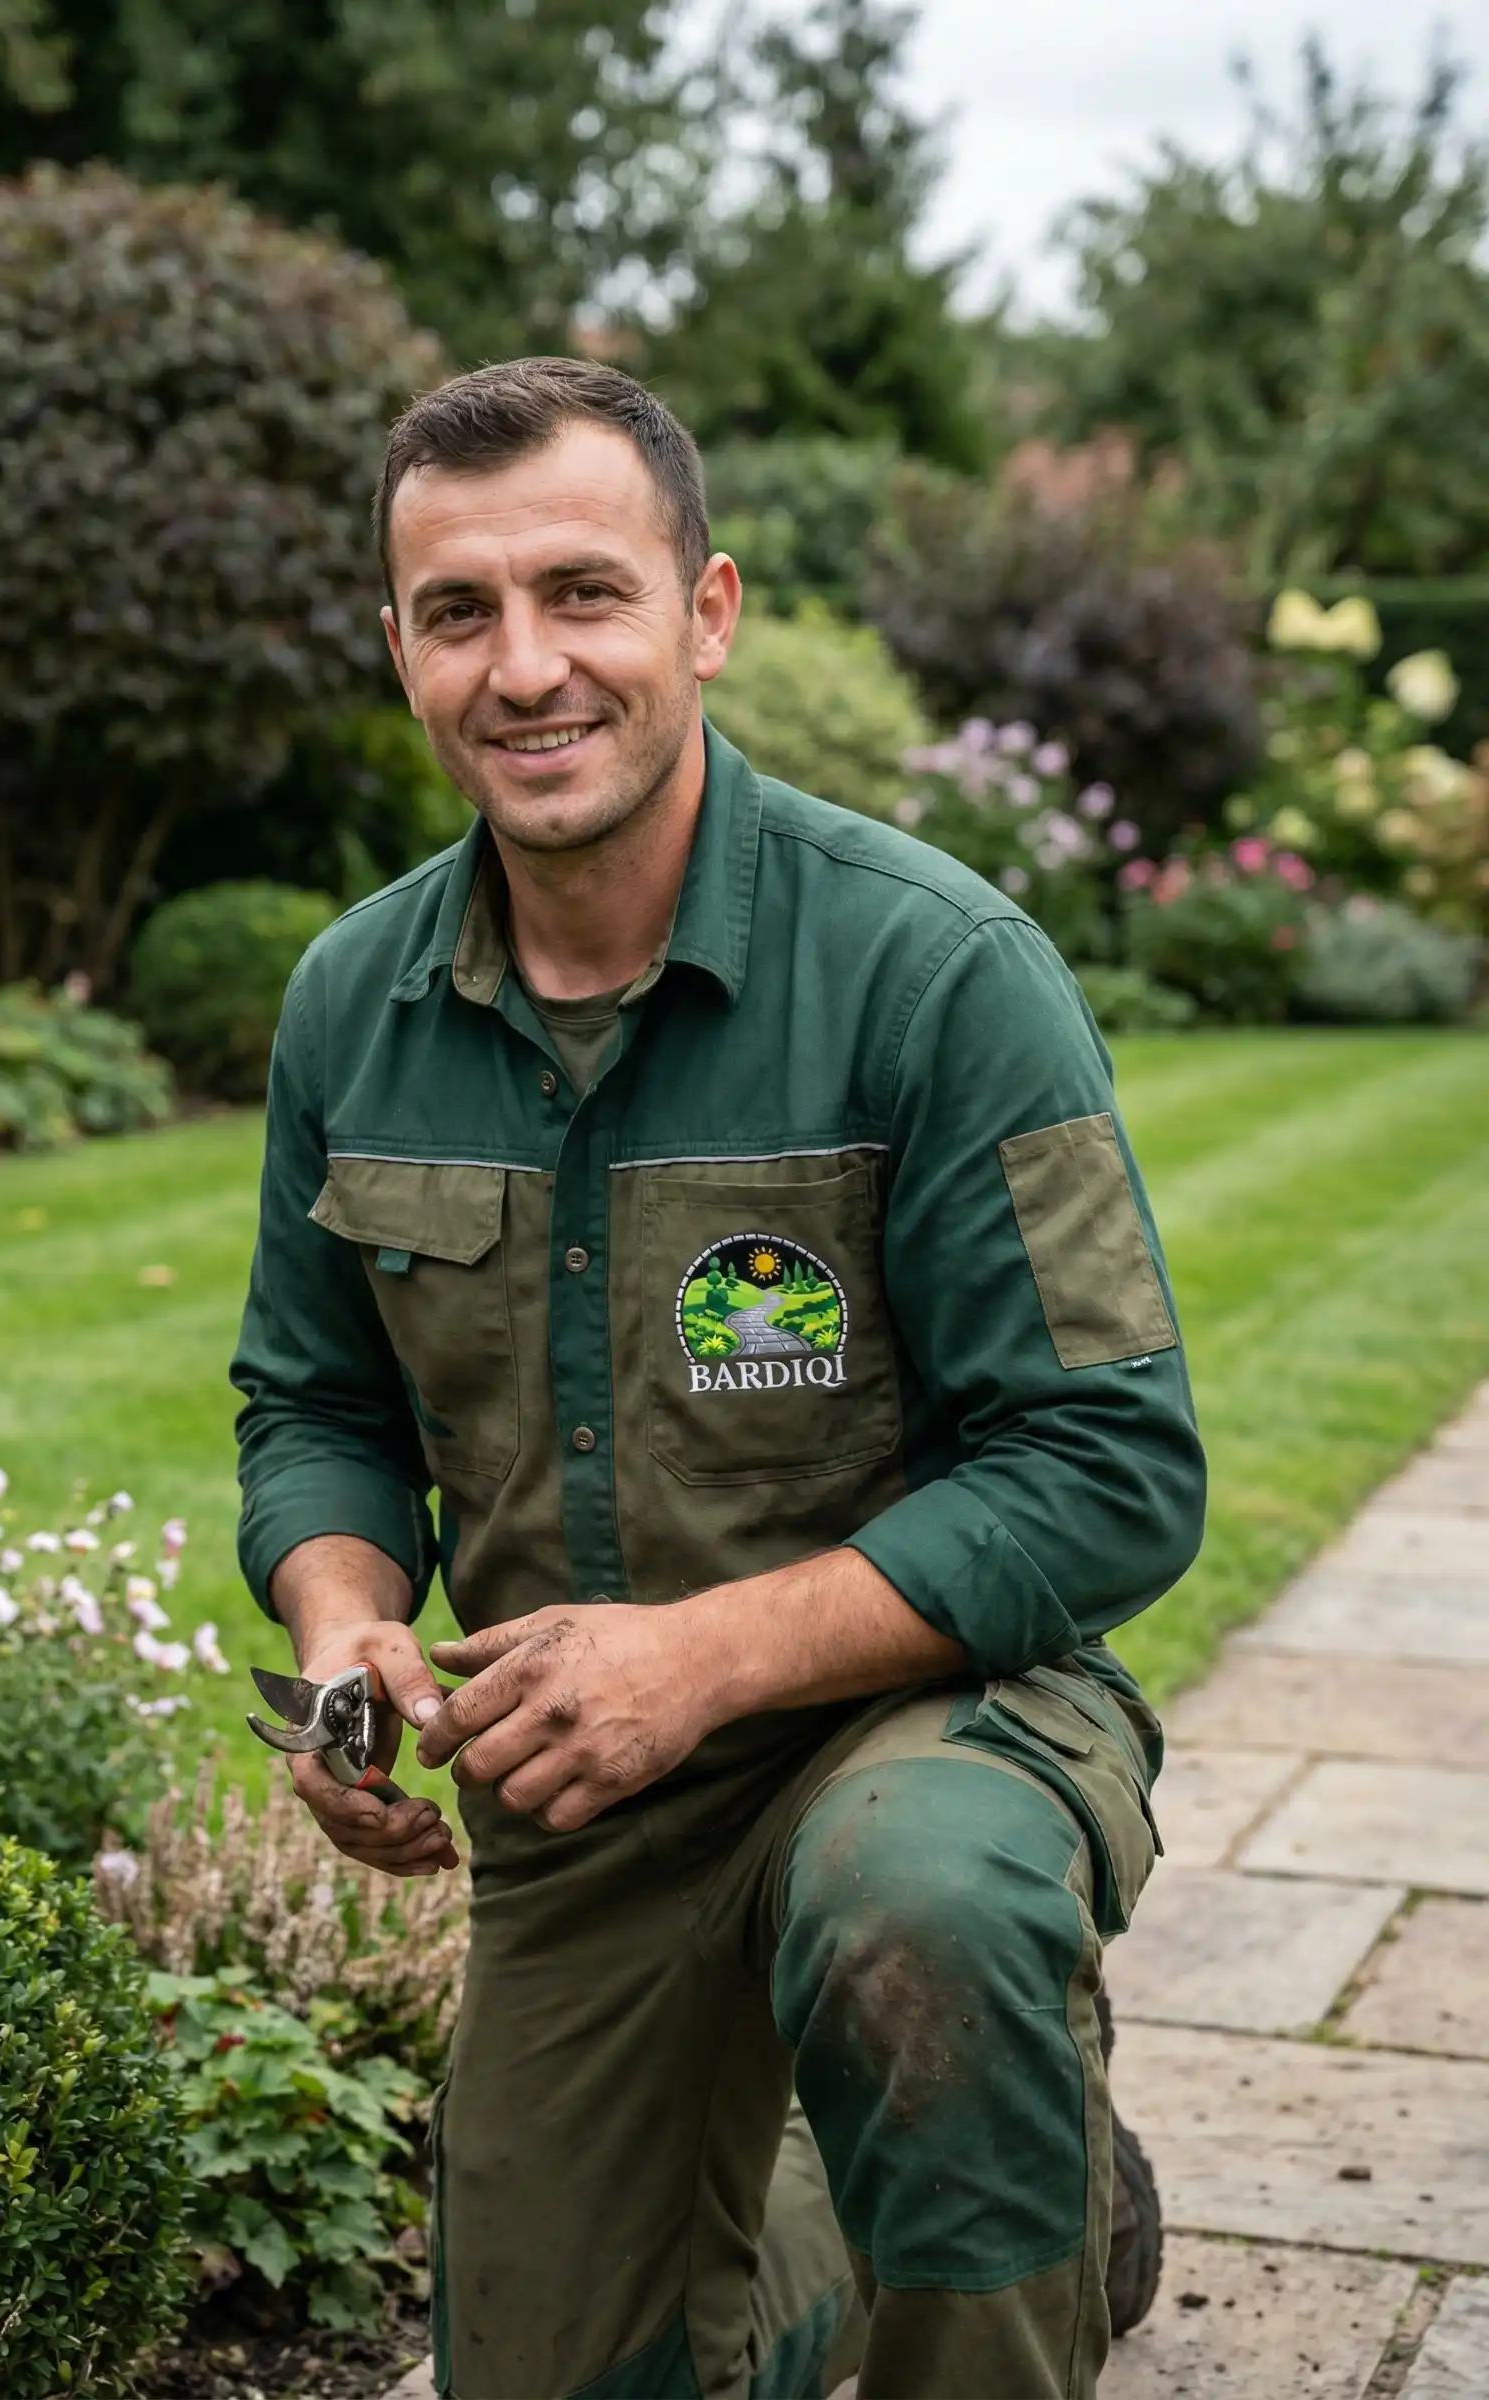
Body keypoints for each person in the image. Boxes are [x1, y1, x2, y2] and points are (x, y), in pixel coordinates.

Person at [231, 357, 1204, 2400]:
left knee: (916, 1918)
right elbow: (312, 1403)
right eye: (457, 611)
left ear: (708, 612)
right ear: (395, 645)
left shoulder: (937, 971)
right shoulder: (352, 1003)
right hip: (585, 1790)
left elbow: (1106, 1464)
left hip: (925, 1712)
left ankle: (978, 2191)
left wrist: (704, 1657)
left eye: (583, 593)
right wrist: (347, 1639)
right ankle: (907, 2218)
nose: (524, 669)